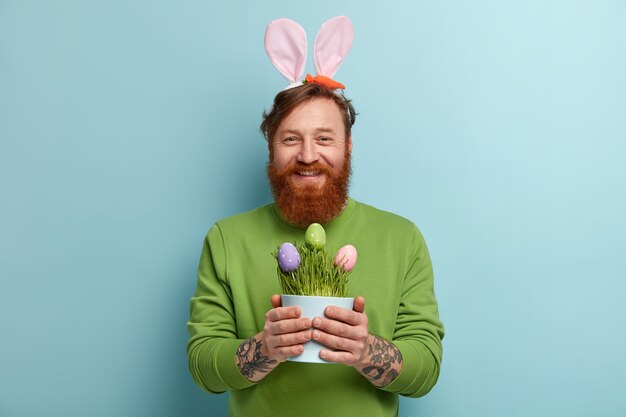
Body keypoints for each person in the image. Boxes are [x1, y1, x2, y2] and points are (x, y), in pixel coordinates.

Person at [186, 82, 445, 417]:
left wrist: (366, 351)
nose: (307, 156)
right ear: (271, 148)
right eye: (291, 139)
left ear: (348, 146)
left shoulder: (401, 237)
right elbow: (203, 367)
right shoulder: (226, 238)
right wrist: (265, 348)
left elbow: (425, 372)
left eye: (324, 138)